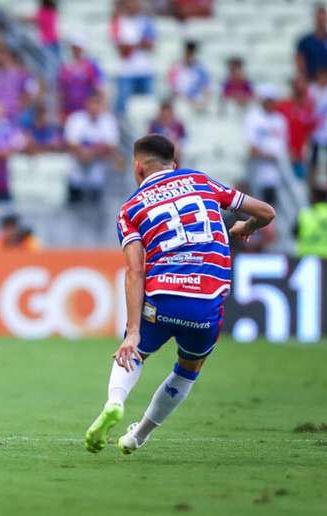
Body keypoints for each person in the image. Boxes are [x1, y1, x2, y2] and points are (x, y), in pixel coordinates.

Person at [84, 134, 275, 454]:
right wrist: (246, 227)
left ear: (139, 167)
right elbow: (266, 212)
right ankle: (138, 436)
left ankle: (115, 402)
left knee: (136, 352)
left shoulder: (130, 209)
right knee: (188, 369)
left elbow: (135, 271)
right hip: (205, 304)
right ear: (174, 163)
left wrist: (132, 332)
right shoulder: (201, 182)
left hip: (161, 299)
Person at [64, 93, 119, 203]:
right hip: (77, 165)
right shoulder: (76, 119)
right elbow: (70, 143)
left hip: (98, 166)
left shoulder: (108, 120)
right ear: (86, 105)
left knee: (96, 200)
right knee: (75, 200)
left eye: (97, 105)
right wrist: (87, 153)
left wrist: (90, 153)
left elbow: (112, 146)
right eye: (91, 105)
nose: (94, 108)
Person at [244, 84, 289, 205]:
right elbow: (252, 148)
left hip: (277, 170)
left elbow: (283, 146)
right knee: (259, 203)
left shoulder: (280, 119)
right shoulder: (254, 117)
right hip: (258, 169)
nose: (271, 103)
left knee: (275, 205)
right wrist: (269, 155)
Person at [110, 0, 156, 114]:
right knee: (121, 108)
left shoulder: (146, 21)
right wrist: (140, 43)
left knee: (149, 108)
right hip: (125, 72)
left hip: (145, 71)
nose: (132, 6)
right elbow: (122, 49)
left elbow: (151, 45)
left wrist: (132, 44)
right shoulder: (119, 22)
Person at [276, 76, 316, 180]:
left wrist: (306, 150)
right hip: (286, 152)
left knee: (301, 186)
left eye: (303, 88)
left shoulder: (309, 108)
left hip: (302, 155)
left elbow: (310, 131)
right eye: (298, 87)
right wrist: (287, 149)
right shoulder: (283, 106)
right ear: (293, 88)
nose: (301, 90)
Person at [56, 34, 103, 119]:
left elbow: (98, 88)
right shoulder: (65, 67)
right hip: (68, 110)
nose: (76, 50)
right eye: (74, 48)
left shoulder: (90, 66)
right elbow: (61, 91)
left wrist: (100, 107)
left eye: (78, 48)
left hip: (86, 110)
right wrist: (60, 111)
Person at [167, 40, 210, 111]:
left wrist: (204, 102)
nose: (190, 55)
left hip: (194, 99)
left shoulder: (201, 68)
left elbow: (205, 87)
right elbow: (171, 85)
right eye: (188, 52)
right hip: (179, 99)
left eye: (191, 52)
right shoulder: (176, 66)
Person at [296, 4, 327, 82]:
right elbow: (300, 62)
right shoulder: (305, 41)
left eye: (323, 19)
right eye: (319, 18)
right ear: (315, 18)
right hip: (311, 82)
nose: (321, 22)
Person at [309, 67, 327, 188]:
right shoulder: (312, 90)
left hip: (326, 132)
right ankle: (315, 187)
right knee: (314, 162)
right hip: (315, 133)